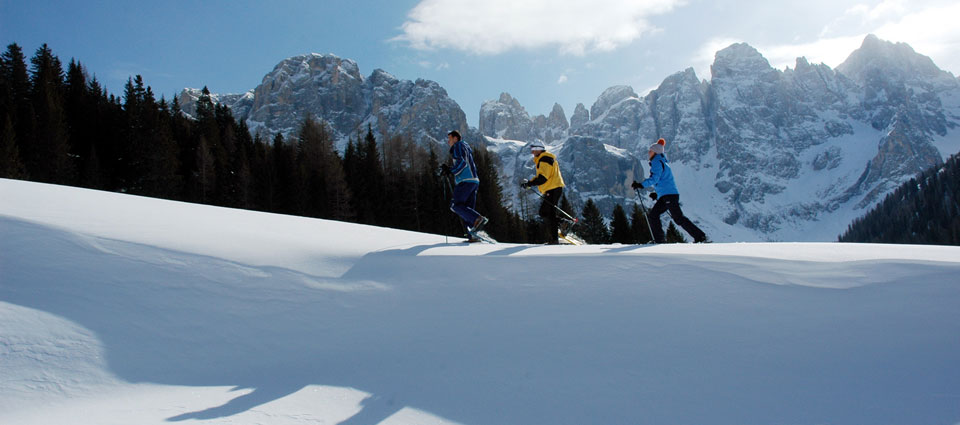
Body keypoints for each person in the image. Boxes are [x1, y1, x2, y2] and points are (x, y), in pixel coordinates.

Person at [632, 138, 707, 243]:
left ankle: (700, 236)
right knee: (654, 215)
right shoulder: (662, 161)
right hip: (667, 195)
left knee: (678, 218)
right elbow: (664, 181)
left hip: (669, 196)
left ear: (655, 152)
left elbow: (655, 178)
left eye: (650, 150)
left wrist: (641, 185)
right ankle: (659, 239)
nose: (649, 152)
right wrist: (658, 194)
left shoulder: (657, 161)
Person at [441, 130, 487, 240]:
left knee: (455, 205)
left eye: (450, 139)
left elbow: (462, 163)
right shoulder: (465, 147)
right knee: (467, 209)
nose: (448, 142)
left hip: (465, 180)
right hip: (474, 180)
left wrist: (450, 170)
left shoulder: (457, 146)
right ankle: (473, 235)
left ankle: (478, 219)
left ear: (455, 138)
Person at [520, 141, 566, 244]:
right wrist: (530, 183)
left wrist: (529, 184)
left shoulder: (544, 159)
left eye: (533, 149)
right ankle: (558, 230)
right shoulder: (545, 158)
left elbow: (543, 178)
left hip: (553, 188)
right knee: (547, 213)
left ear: (539, 149)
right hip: (554, 188)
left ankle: (556, 236)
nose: (532, 152)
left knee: (547, 213)